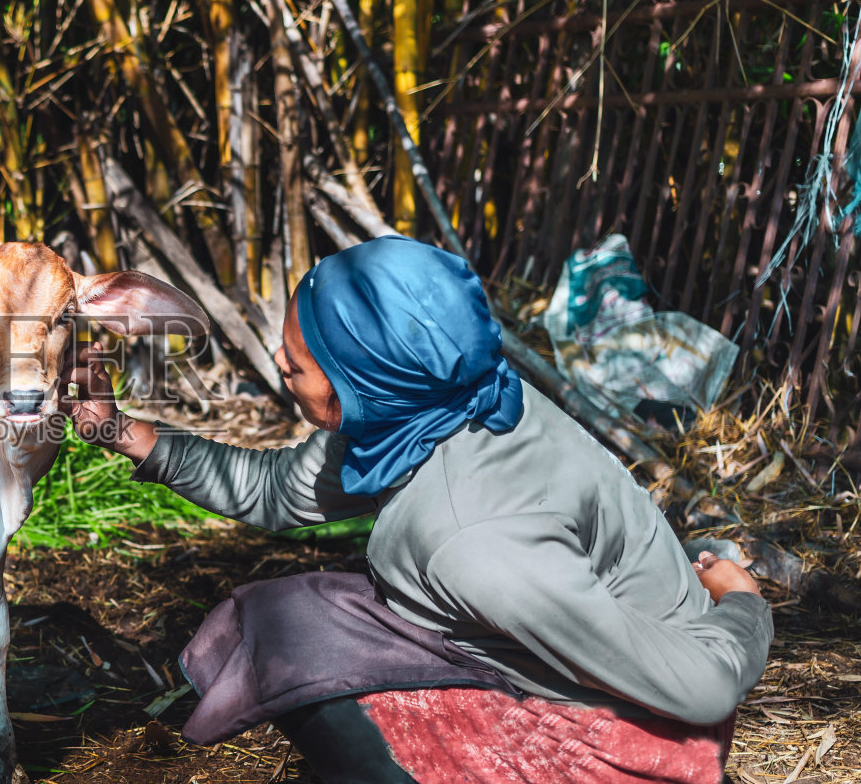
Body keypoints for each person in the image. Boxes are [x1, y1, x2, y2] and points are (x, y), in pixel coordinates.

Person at [61, 235, 771, 783]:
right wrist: (115, 429)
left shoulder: (474, 540)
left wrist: (742, 601)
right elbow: (273, 491)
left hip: (637, 738)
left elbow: (703, 690)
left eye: (296, 362)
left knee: (305, 654)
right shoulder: (431, 402)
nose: (280, 367)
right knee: (283, 615)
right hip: (574, 644)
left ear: (359, 384)